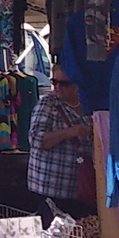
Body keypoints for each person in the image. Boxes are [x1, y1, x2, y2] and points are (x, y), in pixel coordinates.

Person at [28, 63, 96, 226]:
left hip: (81, 188)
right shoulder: (48, 104)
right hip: (51, 189)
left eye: (64, 83)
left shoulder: (89, 104)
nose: (58, 87)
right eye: (54, 82)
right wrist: (70, 132)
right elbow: (36, 140)